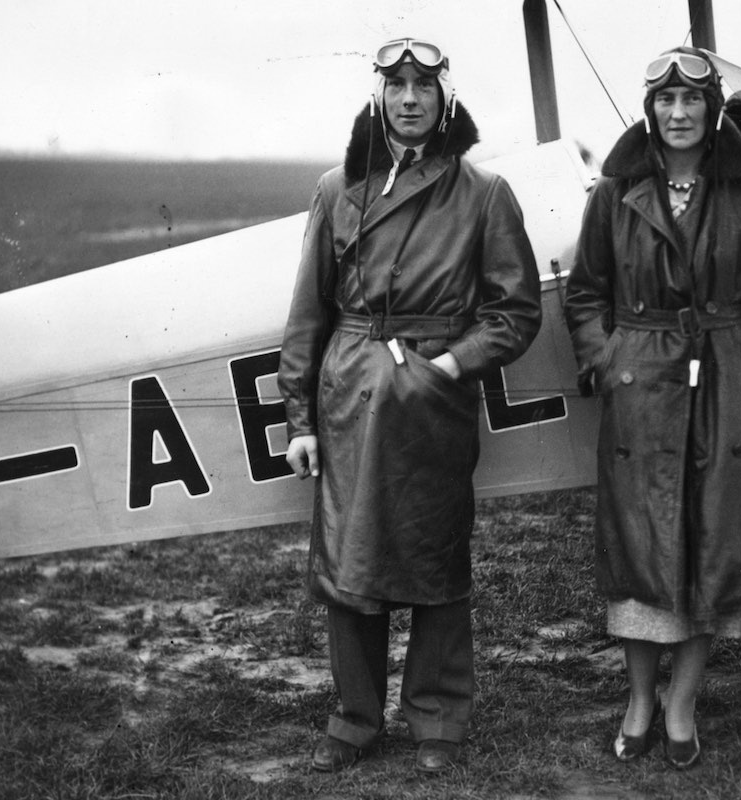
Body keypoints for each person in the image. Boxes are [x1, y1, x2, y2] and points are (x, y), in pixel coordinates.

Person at [277, 37, 541, 774]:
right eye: (396, 83)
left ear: (445, 97)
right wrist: (299, 418)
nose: (410, 97)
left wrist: (449, 366)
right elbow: (307, 315)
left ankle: (437, 721)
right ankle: (355, 718)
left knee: (434, 554)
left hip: (430, 396)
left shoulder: (483, 194)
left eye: (424, 83)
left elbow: (515, 312)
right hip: (351, 390)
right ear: (379, 97)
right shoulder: (337, 190)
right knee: (350, 558)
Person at [564, 46, 741, 769]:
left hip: (726, 383)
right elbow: (584, 294)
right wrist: (610, 359)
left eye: (691, 100)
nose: (677, 114)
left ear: (713, 107)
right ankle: (637, 698)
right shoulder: (615, 192)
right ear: (649, 108)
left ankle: (682, 705)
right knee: (641, 550)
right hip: (642, 388)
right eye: (664, 100)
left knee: (712, 545)